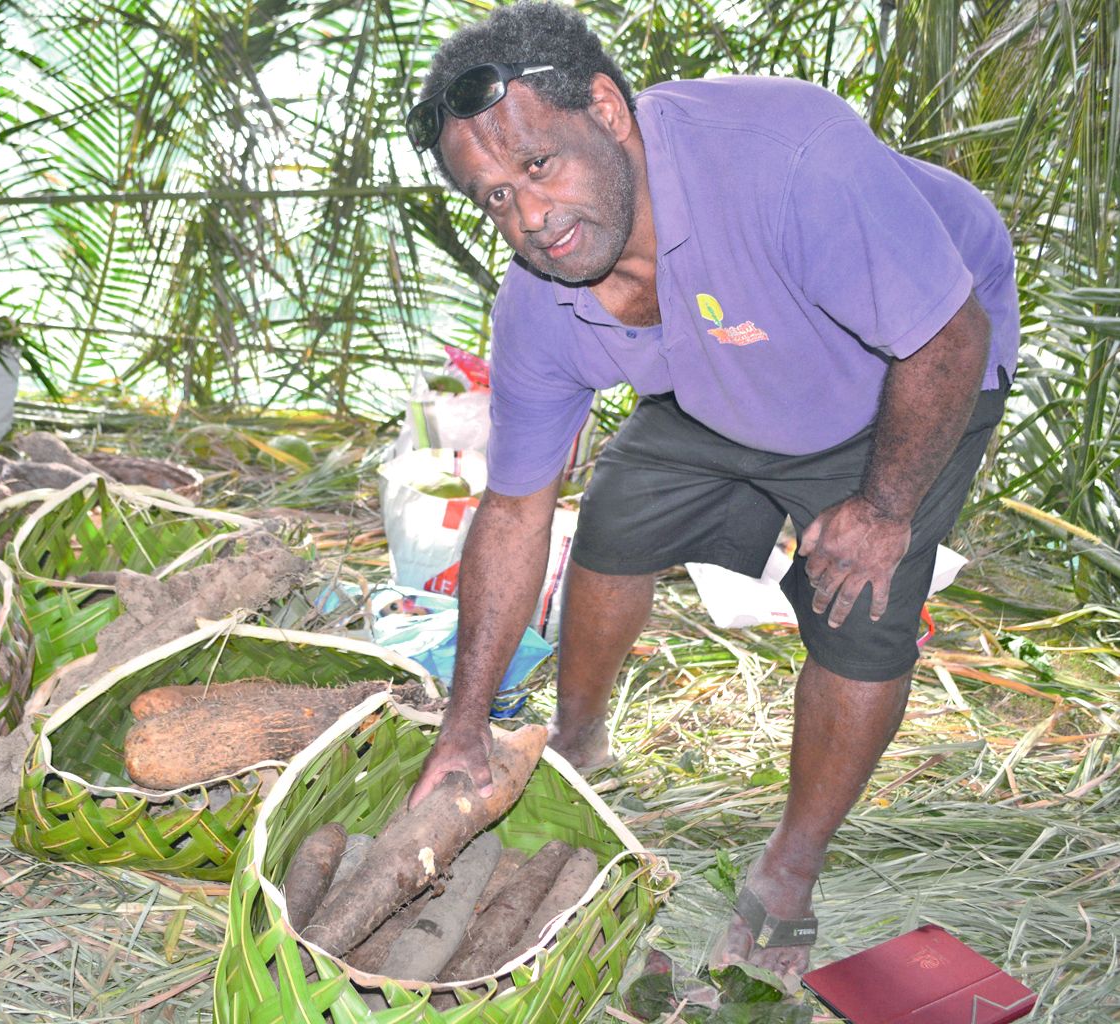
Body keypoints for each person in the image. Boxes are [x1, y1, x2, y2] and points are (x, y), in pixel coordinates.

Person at [403, 0, 1019, 992]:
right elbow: (516, 511)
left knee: (856, 602)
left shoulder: (782, 156)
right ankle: (578, 740)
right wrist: (465, 724)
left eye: (536, 166)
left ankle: (788, 868)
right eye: (492, 200)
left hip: (903, 361)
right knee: (614, 522)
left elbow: (946, 336)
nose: (529, 219)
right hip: (725, 358)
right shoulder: (542, 303)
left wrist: (882, 507)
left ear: (605, 108)